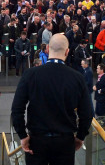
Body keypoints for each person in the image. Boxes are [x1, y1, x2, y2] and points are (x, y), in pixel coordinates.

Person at [11, 34, 93, 165]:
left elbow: (17, 109)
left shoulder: (30, 74)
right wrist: (80, 136)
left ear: (48, 48)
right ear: (67, 52)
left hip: (37, 141)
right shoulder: (77, 78)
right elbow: (87, 113)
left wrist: (22, 135)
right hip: (65, 142)